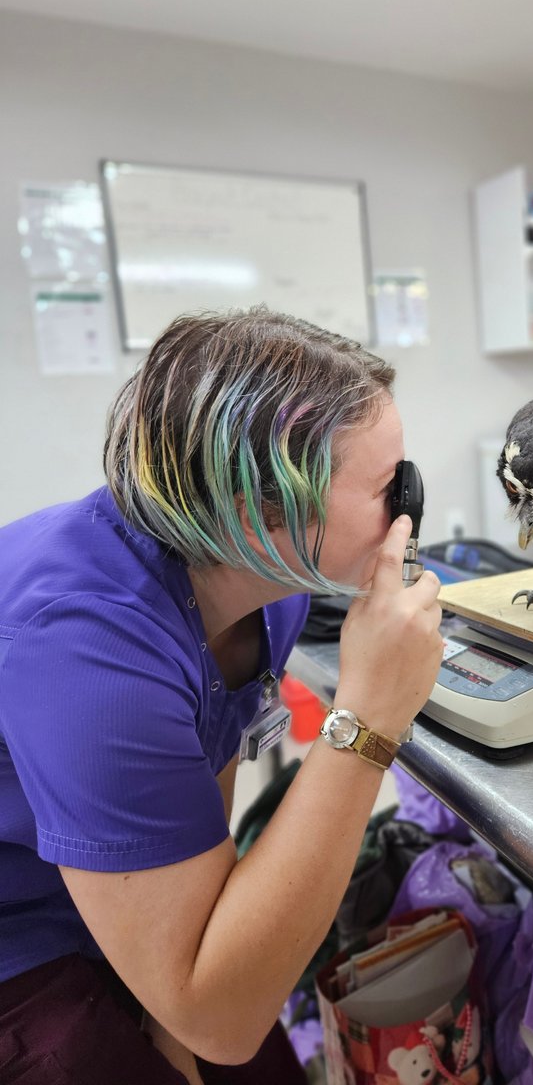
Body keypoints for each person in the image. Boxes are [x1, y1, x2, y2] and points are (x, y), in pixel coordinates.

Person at [0, 307, 444, 1084]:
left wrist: (188, 992)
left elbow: (214, 754)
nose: (408, 507)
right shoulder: (89, 653)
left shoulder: (267, 582)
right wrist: (370, 719)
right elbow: (219, 1019)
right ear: (259, 511)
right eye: (385, 488)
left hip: (117, 878)